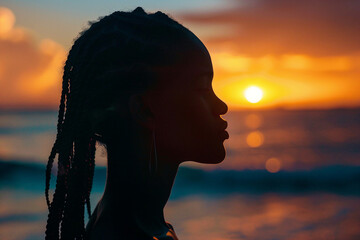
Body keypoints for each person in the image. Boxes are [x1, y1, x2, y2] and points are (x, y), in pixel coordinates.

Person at [44, 7, 228, 240]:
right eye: (202, 88)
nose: (221, 106)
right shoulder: (128, 233)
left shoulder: (134, 223)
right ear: (144, 109)